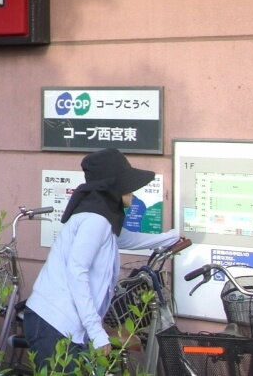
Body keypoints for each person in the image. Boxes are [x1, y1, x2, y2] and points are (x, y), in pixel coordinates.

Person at [24, 148, 179, 371]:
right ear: (112, 188)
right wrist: (96, 331)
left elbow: (124, 238)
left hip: (58, 321)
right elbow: (77, 271)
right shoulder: (95, 220)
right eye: (127, 186)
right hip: (55, 322)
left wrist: (169, 238)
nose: (132, 192)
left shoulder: (100, 215)